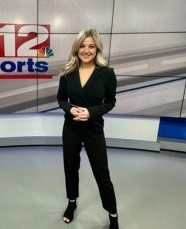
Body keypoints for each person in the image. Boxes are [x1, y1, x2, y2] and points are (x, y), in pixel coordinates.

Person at [57, 29, 119, 229]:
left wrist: (91, 113)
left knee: (102, 173)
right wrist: (71, 109)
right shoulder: (68, 73)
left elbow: (110, 102)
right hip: (71, 128)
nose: (86, 50)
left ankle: (113, 216)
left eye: (91, 46)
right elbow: (61, 99)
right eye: (82, 46)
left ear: (97, 48)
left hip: (94, 128)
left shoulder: (107, 73)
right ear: (77, 49)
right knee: (70, 168)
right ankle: (72, 203)